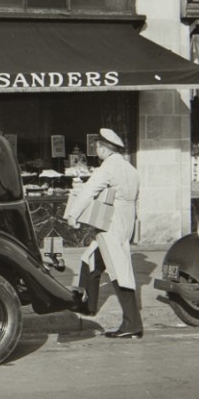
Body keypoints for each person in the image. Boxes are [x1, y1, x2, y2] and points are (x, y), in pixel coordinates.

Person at [65, 128, 143, 339]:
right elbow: (136, 201)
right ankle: (86, 306)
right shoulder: (131, 169)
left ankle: (132, 324)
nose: (96, 149)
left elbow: (88, 191)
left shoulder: (107, 168)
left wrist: (73, 215)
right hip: (125, 221)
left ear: (106, 148)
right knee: (89, 259)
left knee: (118, 270)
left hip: (110, 222)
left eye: (98, 146)